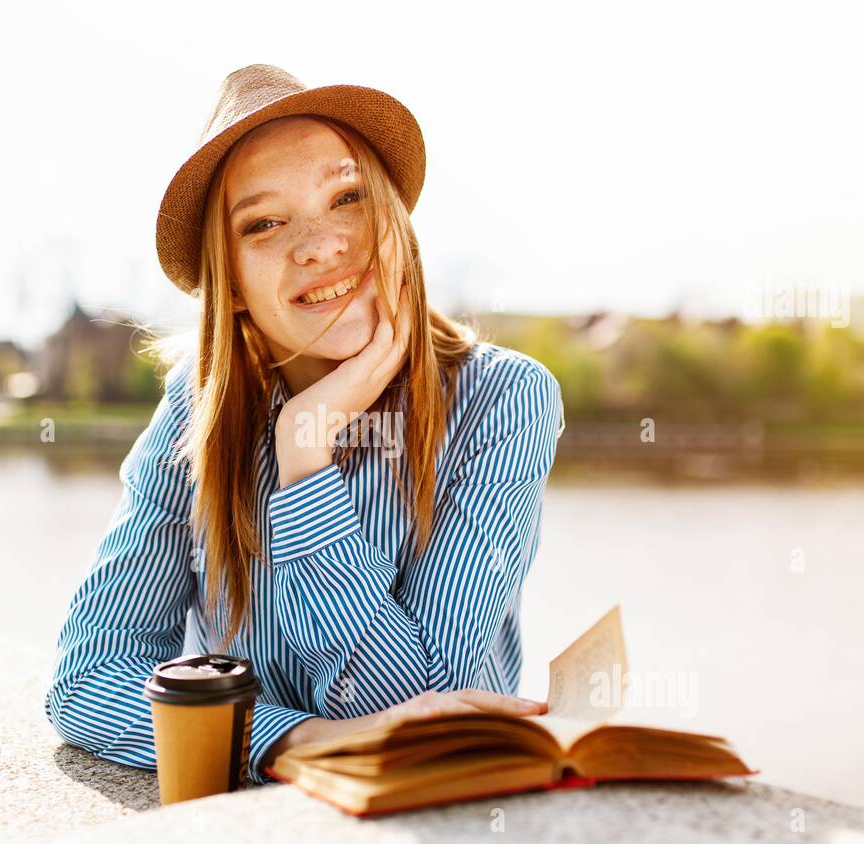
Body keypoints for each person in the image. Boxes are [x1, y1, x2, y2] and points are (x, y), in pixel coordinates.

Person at [44, 64, 565, 785]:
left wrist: (305, 454)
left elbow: (413, 716)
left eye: (347, 197)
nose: (320, 245)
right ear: (229, 282)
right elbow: (90, 681)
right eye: (264, 222)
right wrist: (299, 739)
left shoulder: (503, 401)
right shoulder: (195, 416)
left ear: (394, 221)